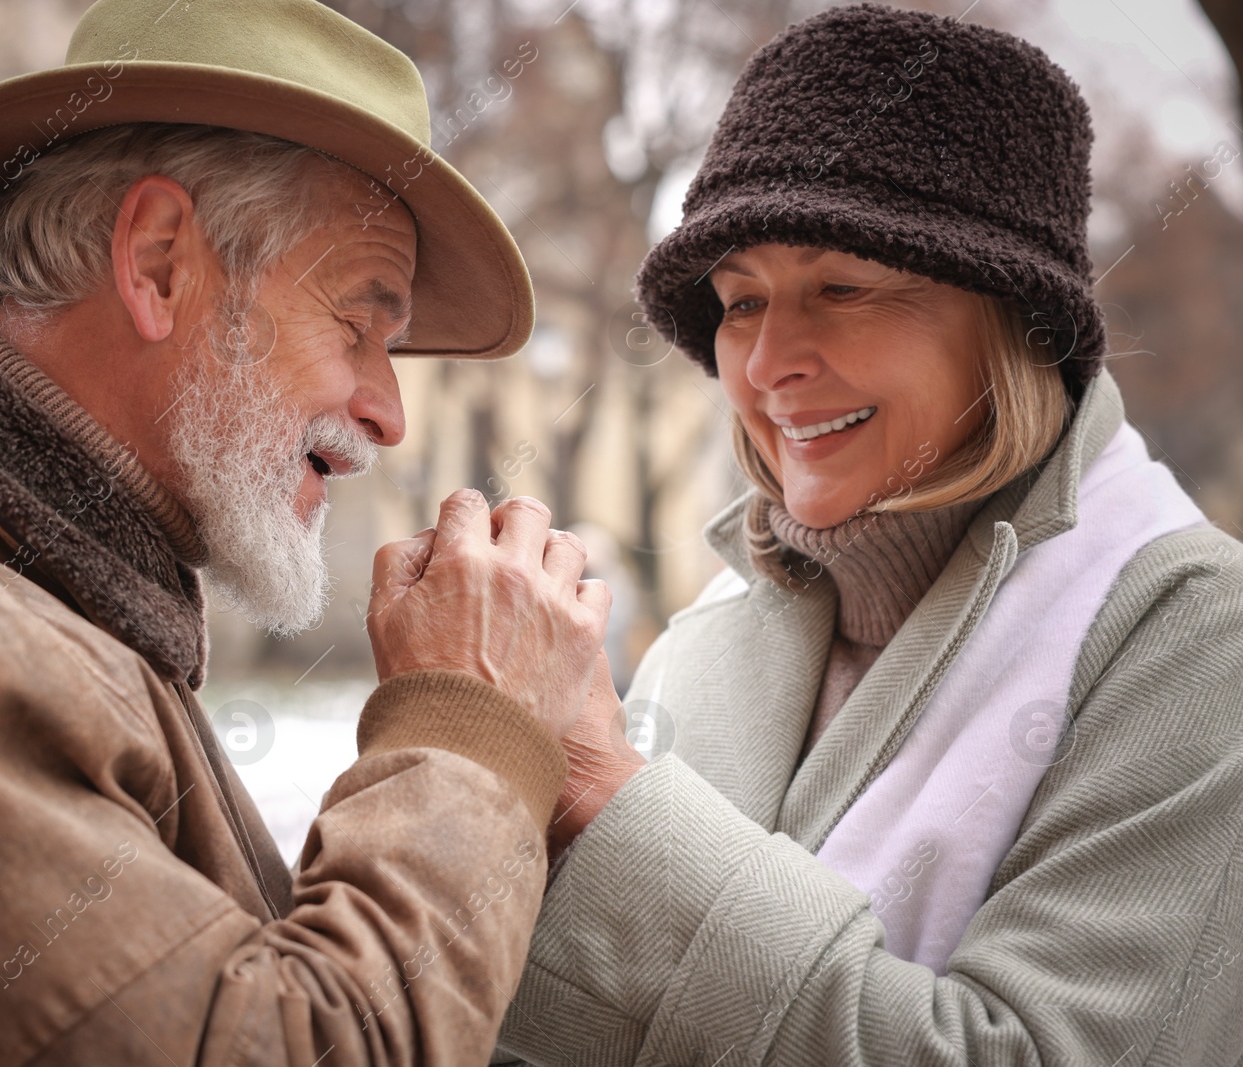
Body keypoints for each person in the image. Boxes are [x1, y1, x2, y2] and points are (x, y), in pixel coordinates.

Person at [0, 0, 611, 1063]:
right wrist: (469, 723)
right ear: (155, 263)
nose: (388, 410)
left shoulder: (10, 587)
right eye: (355, 322)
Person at [496, 5, 1243, 1065]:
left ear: (1014, 322)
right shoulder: (707, 640)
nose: (764, 364)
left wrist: (605, 808)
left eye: (838, 287)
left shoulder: (1196, 641)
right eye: (740, 301)